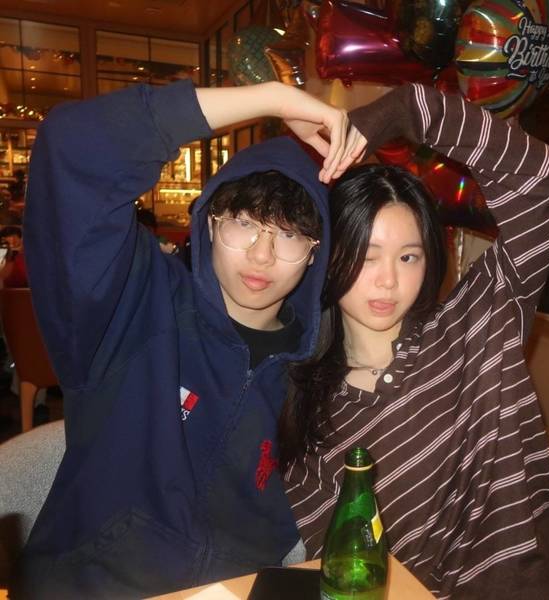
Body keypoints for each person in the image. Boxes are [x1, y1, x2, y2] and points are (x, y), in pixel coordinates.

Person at [12, 79, 352, 598]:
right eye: (243, 222)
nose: (262, 255)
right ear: (210, 223)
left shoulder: (312, 373)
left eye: (288, 235)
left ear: (314, 253)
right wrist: (272, 98)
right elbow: (72, 147)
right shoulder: (133, 299)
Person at [282, 83, 549, 599]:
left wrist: (402, 111)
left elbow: (547, 184)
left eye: (409, 256)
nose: (388, 281)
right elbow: (326, 552)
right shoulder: (309, 397)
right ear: (329, 258)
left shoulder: (477, 322)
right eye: (367, 256)